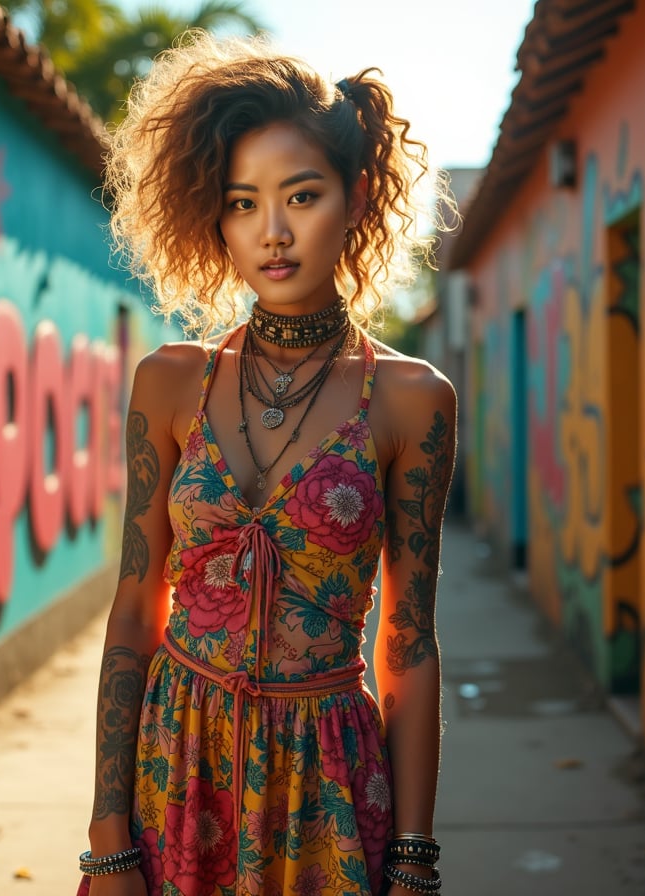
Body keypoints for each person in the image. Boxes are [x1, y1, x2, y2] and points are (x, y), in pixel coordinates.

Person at [79, 30, 457, 896]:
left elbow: (408, 643)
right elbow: (137, 608)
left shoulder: (411, 399)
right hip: (173, 771)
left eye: (302, 195)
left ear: (356, 198)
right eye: (244, 202)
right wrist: (107, 837)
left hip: (328, 780)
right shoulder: (170, 382)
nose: (273, 232)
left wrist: (413, 855)